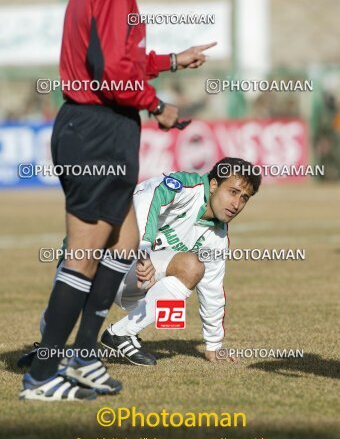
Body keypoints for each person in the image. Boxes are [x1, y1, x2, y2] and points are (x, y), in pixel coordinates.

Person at [19, 0, 216, 401]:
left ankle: (85, 355)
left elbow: (119, 59)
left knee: (125, 243)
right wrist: (157, 105)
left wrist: (171, 61)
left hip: (102, 131)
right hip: (95, 132)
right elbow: (111, 72)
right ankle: (42, 374)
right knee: (84, 255)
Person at [19, 157, 261, 370]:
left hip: (135, 277)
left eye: (244, 198)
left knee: (192, 267)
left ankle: (121, 335)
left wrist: (214, 344)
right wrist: (143, 251)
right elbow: (145, 201)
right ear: (214, 184)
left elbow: (212, 290)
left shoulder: (217, 237)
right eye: (233, 192)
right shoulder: (186, 186)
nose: (236, 203)